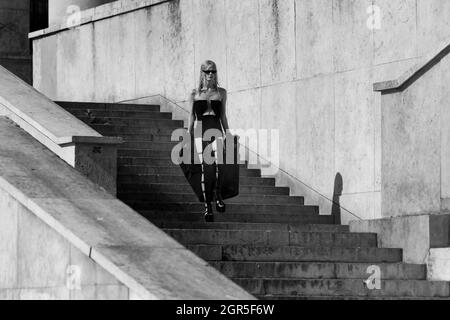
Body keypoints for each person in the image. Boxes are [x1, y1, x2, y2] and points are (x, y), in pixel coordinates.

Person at [185, 60, 236, 222]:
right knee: (205, 168)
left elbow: (223, 116)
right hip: (200, 130)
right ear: (202, 73)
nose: (210, 74)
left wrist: (228, 133)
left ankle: (218, 195)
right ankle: (207, 207)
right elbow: (191, 116)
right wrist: (187, 136)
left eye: (213, 71)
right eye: (207, 71)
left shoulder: (222, 93)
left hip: (216, 128)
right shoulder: (194, 94)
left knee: (219, 166)